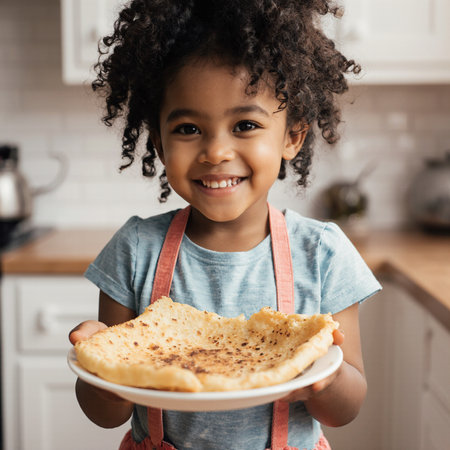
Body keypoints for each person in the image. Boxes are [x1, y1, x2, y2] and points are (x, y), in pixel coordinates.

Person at [69, 1, 382, 449]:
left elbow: (348, 407)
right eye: (188, 129)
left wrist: (323, 380)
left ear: (293, 135)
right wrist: (99, 365)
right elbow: (105, 414)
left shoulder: (323, 254)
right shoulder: (136, 249)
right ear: (158, 142)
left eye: (246, 124)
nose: (215, 151)